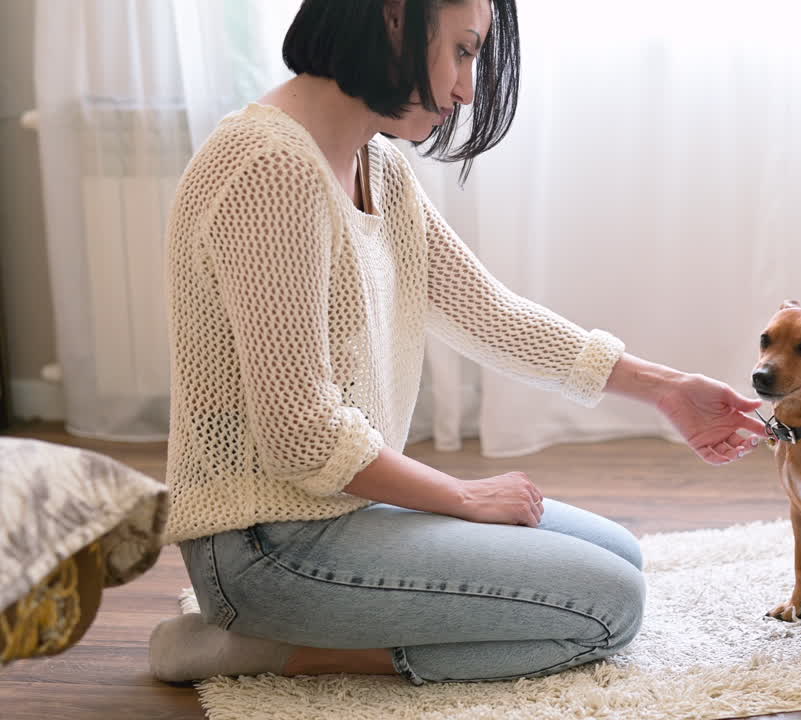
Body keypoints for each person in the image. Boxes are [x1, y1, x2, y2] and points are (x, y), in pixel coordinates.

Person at [149, 0, 766, 685]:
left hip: (343, 508)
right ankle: (265, 648)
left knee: (620, 557)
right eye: (465, 51)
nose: (469, 88)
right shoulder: (270, 168)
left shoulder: (375, 165)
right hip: (265, 547)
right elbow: (300, 435)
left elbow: (491, 315)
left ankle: (293, 633)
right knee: (609, 608)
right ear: (392, 18)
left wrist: (666, 389)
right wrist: (462, 497)